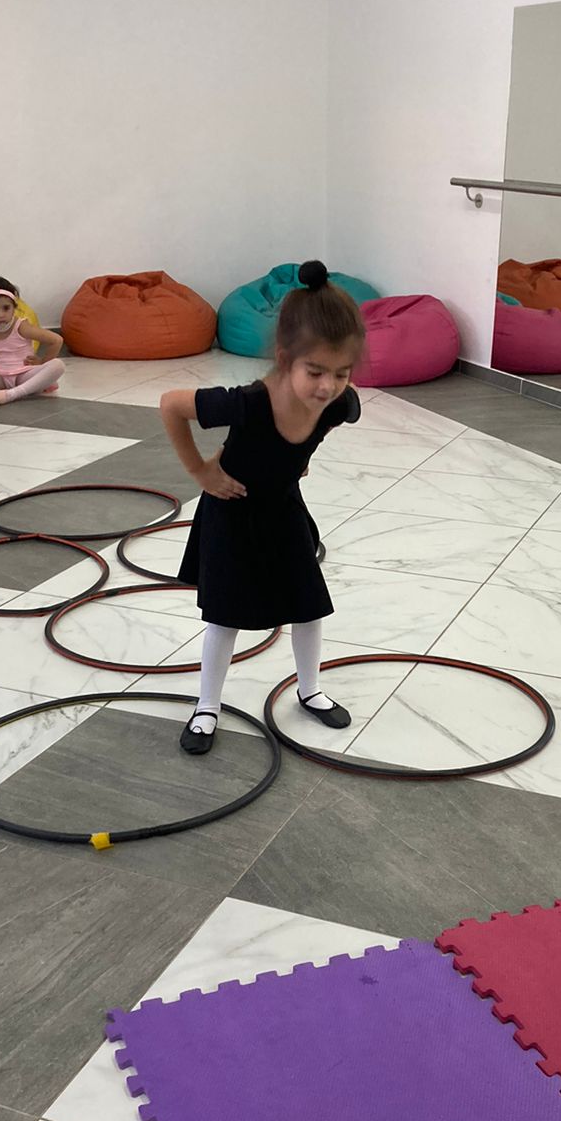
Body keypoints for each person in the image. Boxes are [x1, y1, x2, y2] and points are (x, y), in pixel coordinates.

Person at [159, 259, 364, 756]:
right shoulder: (247, 402)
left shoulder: (339, 404)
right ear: (284, 358)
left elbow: (322, 424)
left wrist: (299, 460)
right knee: (225, 616)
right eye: (315, 372)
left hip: (283, 509)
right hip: (232, 513)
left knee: (308, 605)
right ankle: (207, 707)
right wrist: (201, 472)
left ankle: (310, 689)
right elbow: (170, 404)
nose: (327, 386)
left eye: (341, 373)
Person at [0, 276, 65, 404]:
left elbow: (56, 340)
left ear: (14, 307)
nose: (1, 315)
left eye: (6, 308)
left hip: (25, 375)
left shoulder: (21, 326)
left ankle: (13, 394)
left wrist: (42, 362)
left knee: (58, 365)